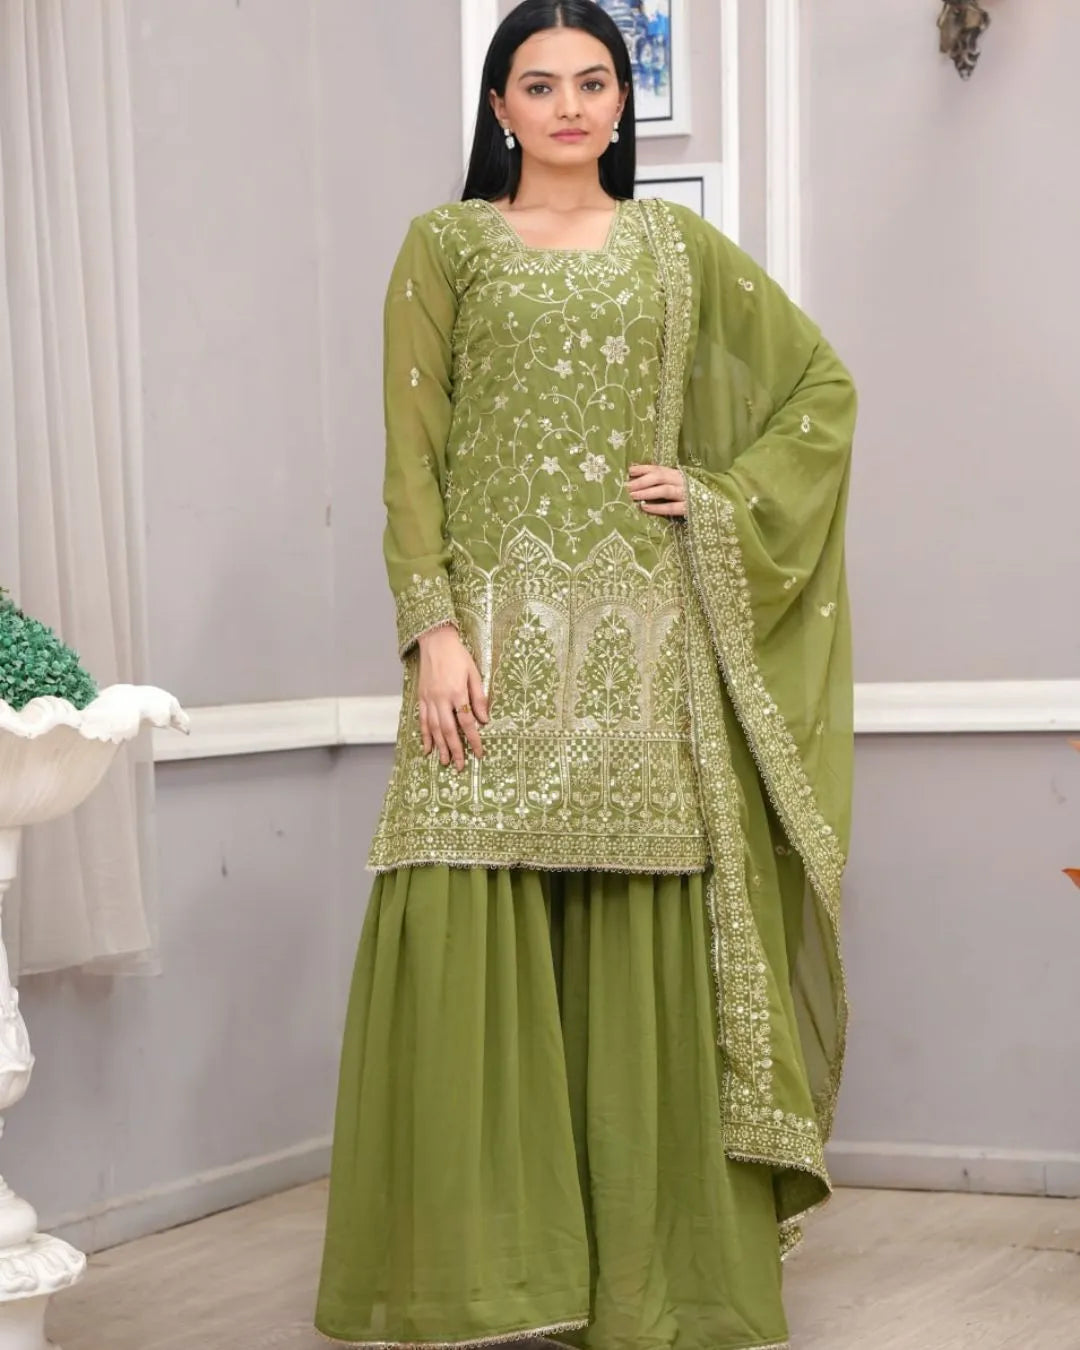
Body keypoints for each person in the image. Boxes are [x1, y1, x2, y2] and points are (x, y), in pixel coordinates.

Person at [315, 2, 856, 1347]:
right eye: (540, 83)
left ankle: (645, 1283)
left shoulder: (675, 247)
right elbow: (409, 455)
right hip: (489, 639)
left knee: (636, 928)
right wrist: (432, 629)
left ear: (623, 103)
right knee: (461, 911)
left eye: (594, 81)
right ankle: (487, 1281)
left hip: (638, 638)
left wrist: (715, 492)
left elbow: (818, 388)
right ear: (500, 106)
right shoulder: (444, 245)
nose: (569, 105)